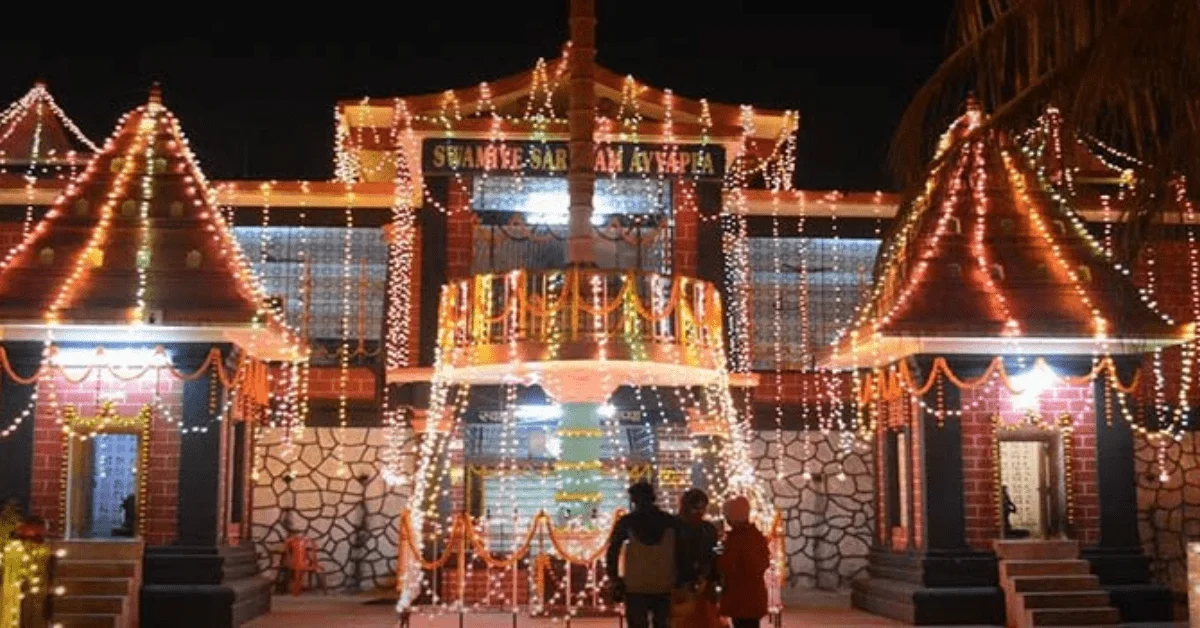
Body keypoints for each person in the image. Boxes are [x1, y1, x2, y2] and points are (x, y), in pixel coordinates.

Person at [605, 482, 684, 628]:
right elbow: (681, 552)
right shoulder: (671, 522)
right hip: (665, 583)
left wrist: (614, 579)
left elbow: (612, 551)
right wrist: (680, 578)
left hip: (635, 585)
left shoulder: (627, 522)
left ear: (634, 500)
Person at [718, 496, 771, 628]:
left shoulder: (735, 539)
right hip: (754, 594)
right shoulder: (756, 536)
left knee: (742, 624)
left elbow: (728, 565)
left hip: (739, 596)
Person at [673, 488, 721, 628]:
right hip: (682, 584)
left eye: (702, 509)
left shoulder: (707, 529)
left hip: (695, 584)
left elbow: (714, 553)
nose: (699, 513)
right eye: (696, 509)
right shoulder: (707, 529)